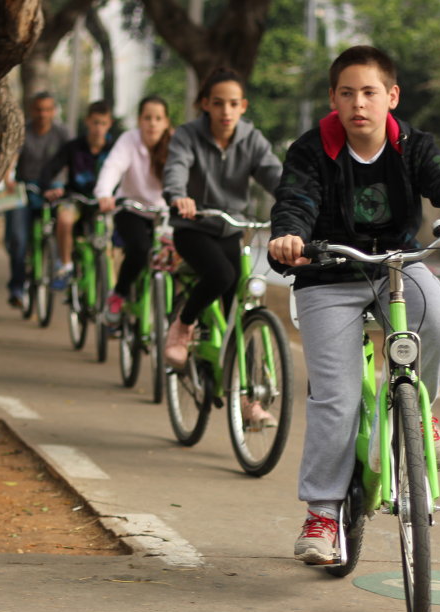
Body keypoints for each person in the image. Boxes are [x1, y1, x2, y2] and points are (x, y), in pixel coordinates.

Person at [268, 45, 440, 564]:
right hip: (326, 275)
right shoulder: (312, 150)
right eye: (348, 93)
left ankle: (422, 413)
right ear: (333, 99)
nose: (359, 103)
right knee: (337, 395)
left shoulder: (412, 147)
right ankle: (322, 513)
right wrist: (289, 235)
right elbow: (296, 200)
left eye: (370, 92)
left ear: (391, 97)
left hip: (397, 268)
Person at [161, 68, 283, 385]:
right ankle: (183, 324)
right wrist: (179, 196)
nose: (225, 111)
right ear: (205, 104)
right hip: (193, 227)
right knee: (221, 275)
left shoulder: (252, 140)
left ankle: (246, 392)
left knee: (240, 310)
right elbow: (176, 169)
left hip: (231, 230)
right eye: (218, 103)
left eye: (232, 104)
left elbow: (276, 176)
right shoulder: (187, 135)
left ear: (243, 106)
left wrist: (302, 202)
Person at [94, 96, 174, 322]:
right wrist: (104, 194)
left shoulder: (175, 144)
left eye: (158, 118)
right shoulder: (129, 140)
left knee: (178, 258)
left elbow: (186, 176)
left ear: (166, 122)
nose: (152, 123)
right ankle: (118, 294)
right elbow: (113, 167)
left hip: (164, 213)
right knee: (140, 248)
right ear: (139, 120)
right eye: (147, 118)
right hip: (131, 209)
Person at [3, 92, 70, 307]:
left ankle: (62, 266)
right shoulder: (23, 131)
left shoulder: (62, 133)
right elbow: (11, 157)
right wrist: (9, 178)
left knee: (63, 225)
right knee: (17, 239)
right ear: (33, 111)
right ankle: (17, 287)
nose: (43, 114)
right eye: (39, 109)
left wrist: (60, 185)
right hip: (24, 189)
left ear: (54, 111)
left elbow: (70, 159)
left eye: (48, 109)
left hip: (52, 191)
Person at [41, 100, 115, 285]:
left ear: (110, 124)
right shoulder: (73, 147)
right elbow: (49, 169)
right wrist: (47, 188)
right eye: (95, 122)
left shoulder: (116, 149)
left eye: (103, 123)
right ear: (88, 121)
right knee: (64, 220)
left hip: (104, 203)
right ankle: (65, 264)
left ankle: (110, 291)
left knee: (107, 244)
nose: (99, 128)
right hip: (76, 198)